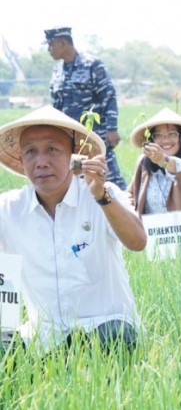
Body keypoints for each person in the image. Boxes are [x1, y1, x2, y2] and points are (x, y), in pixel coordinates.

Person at [0, 106, 146, 354]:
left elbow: (137, 242)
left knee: (114, 338)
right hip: (43, 336)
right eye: (31, 152)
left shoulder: (102, 194)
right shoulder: (8, 209)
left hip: (103, 326)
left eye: (52, 150)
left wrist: (102, 197)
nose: (41, 162)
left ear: (74, 155)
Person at [44, 26, 127, 190]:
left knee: (109, 179)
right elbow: (56, 107)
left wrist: (112, 128)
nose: (49, 49)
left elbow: (108, 96)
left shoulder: (92, 65)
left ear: (63, 43)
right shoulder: (57, 71)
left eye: (51, 44)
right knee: (78, 181)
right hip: (71, 141)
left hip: (96, 137)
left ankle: (126, 210)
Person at [128, 108, 181, 219]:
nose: (165, 140)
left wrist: (164, 161)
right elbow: (131, 194)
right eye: (158, 135)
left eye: (172, 134)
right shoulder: (144, 162)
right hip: (153, 232)